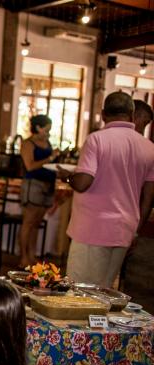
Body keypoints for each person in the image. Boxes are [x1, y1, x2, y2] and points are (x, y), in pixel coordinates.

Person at [59, 91, 154, 287]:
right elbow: (148, 196)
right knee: (104, 290)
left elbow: (83, 182)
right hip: (124, 229)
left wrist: (67, 176)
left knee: (77, 292)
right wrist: (135, 231)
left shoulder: (97, 140)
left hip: (92, 228)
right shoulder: (149, 147)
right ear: (131, 113)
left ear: (103, 114)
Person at [18, 114, 58, 268]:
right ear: (38, 128)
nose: (48, 132)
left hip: (48, 185)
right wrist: (50, 158)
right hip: (33, 185)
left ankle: (32, 255)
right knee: (28, 222)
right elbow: (30, 166)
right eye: (47, 129)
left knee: (36, 223)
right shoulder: (28, 144)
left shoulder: (46, 142)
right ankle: (23, 257)